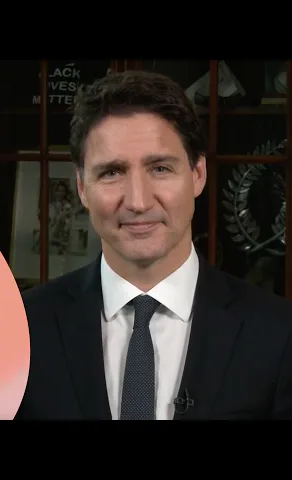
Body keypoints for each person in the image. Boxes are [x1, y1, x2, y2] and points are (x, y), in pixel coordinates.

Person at [16, 70, 292, 420]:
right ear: (82, 188)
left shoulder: (279, 334)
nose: (138, 201)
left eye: (160, 168)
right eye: (111, 172)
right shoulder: (22, 328)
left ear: (198, 174)